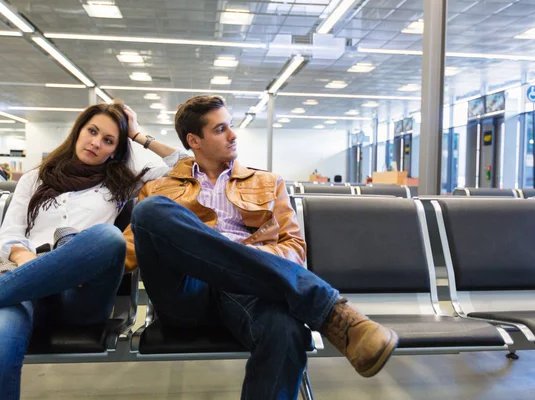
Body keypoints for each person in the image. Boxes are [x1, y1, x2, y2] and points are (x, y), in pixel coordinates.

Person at [124, 95, 399, 400]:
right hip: (186, 293)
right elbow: (128, 250)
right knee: (150, 212)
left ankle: (318, 305)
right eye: (220, 129)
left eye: (231, 126)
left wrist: (247, 262)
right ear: (195, 141)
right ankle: (331, 310)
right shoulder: (160, 187)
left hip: (247, 290)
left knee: (285, 330)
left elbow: (293, 245)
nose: (233, 135)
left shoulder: (268, 182)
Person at [0, 101, 187, 400]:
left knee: (107, 237)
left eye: (108, 140)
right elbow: (9, 235)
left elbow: (185, 165)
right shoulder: (35, 178)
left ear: (115, 150)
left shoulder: (120, 183)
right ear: (78, 131)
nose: (95, 143)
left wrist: (139, 134)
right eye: (92, 131)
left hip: (81, 295)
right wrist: (28, 260)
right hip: (26, 284)